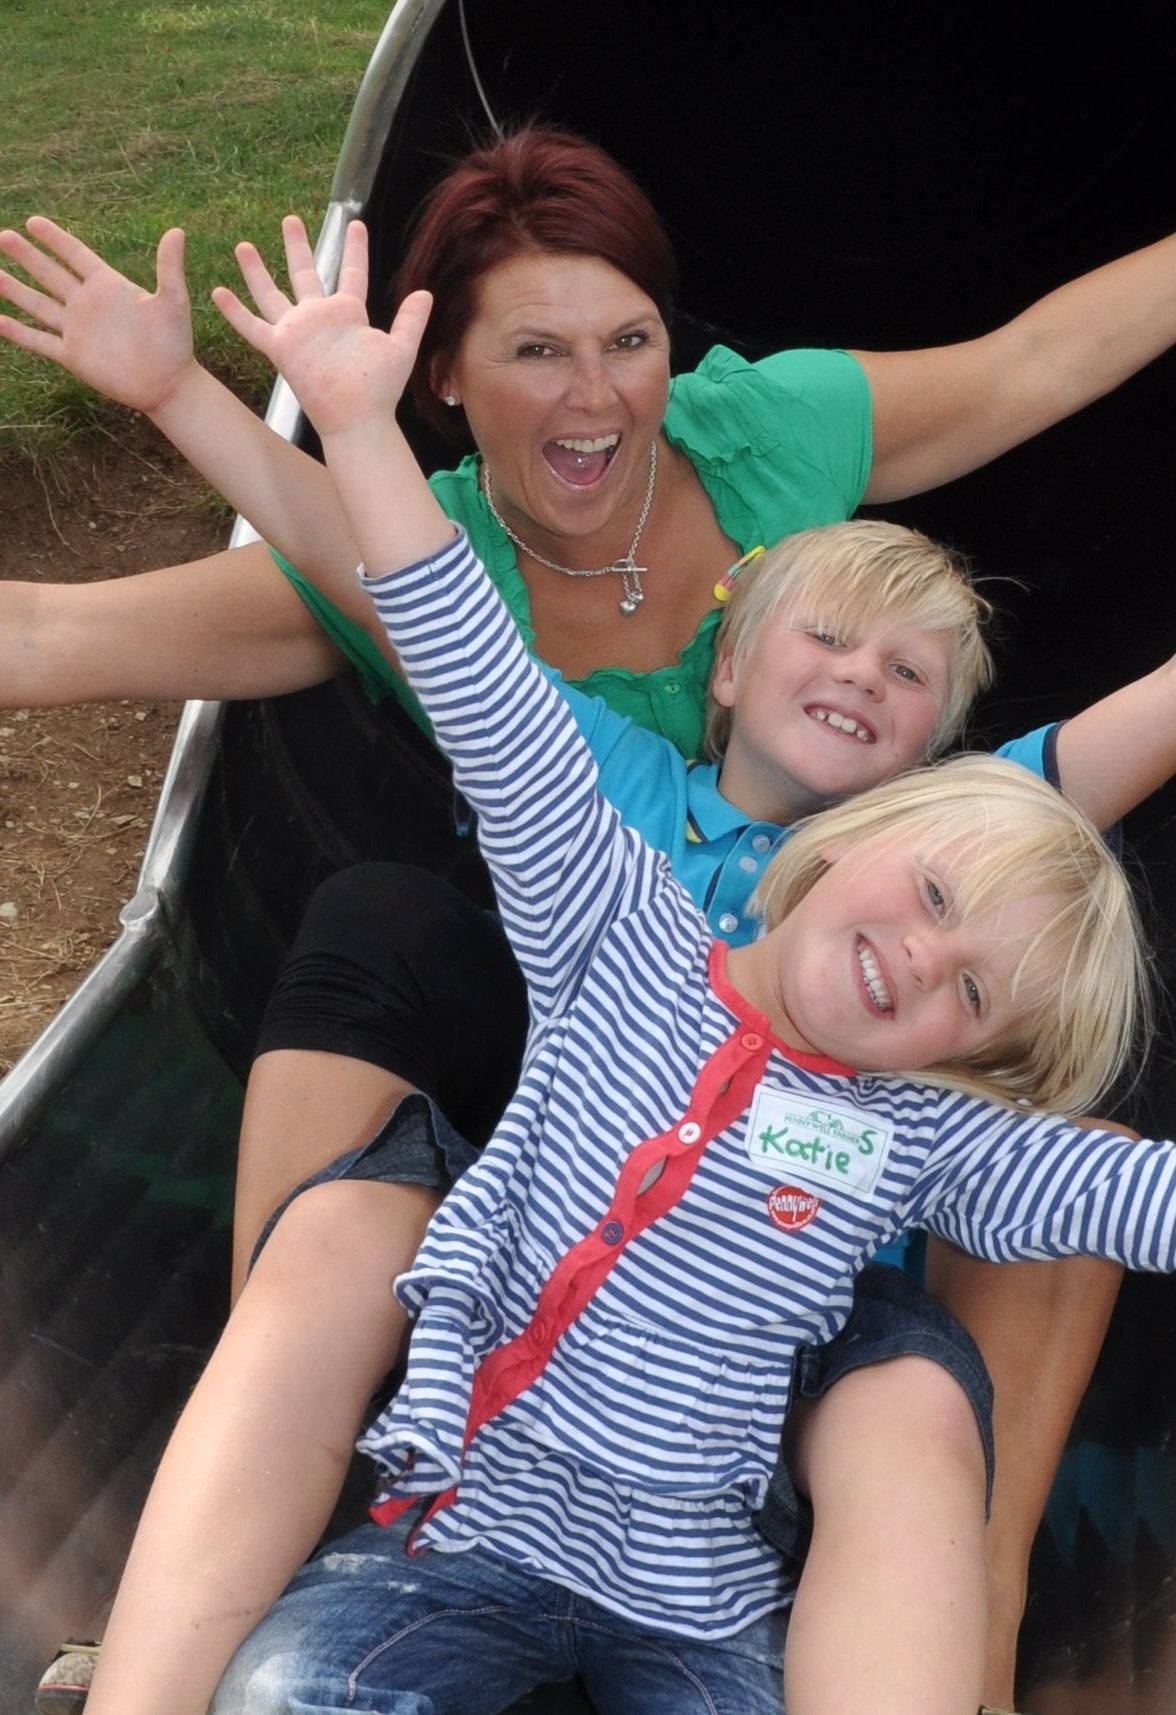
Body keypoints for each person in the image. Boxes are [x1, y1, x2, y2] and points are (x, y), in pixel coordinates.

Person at [6, 126, 1176, 1703]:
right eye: (830, 641)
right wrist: (227, 400)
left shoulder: (936, 856)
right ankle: (308, 1479)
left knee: (1040, 1190)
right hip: (571, 1228)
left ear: (944, 761)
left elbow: (1084, 616)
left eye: (912, 682)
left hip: (794, 1303)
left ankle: (970, 1618)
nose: (865, 681)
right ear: (735, 654)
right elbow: (433, 620)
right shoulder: (611, 842)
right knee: (376, 925)